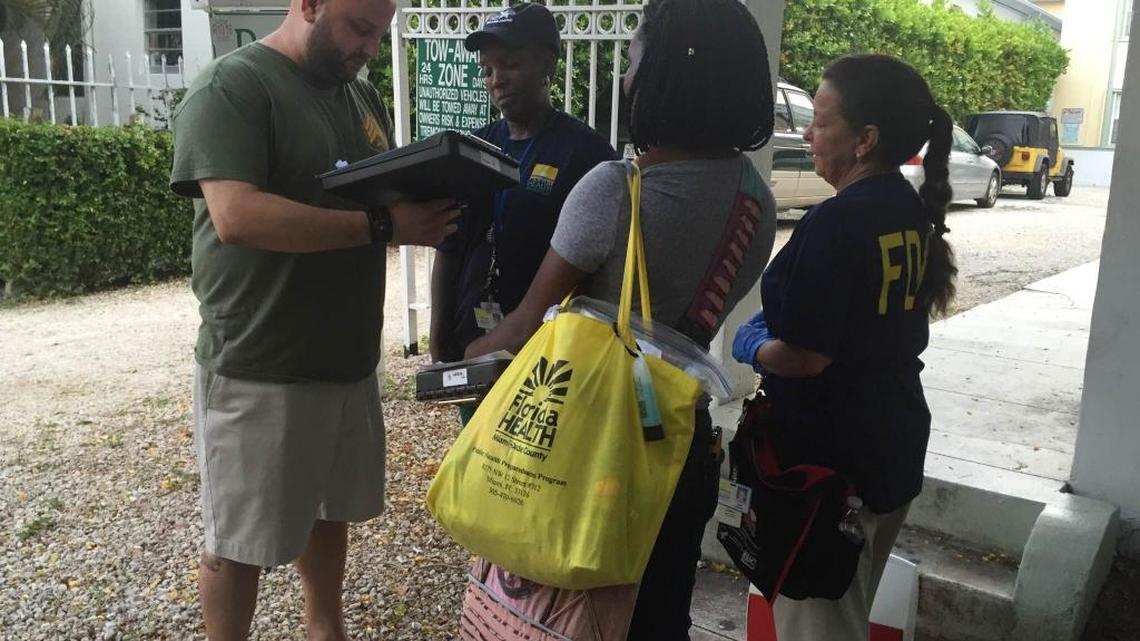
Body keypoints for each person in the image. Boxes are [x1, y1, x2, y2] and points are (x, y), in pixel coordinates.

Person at [464, 0, 777, 636]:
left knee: (561, 617)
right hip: (676, 443)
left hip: (586, 451)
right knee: (659, 617)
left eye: (633, 59)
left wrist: (467, 357)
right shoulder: (756, 198)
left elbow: (526, 327)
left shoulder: (615, 188)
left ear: (667, 74)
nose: (624, 78)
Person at [168, 0, 461, 638]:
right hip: (260, 360)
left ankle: (325, 628)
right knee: (237, 539)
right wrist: (384, 226)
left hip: (347, 360)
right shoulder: (233, 87)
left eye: (381, 33)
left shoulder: (362, 101)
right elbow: (236, 217)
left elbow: (374, 191)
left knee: (332, 510)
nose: (370, 48)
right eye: (360, 28)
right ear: (308, 4)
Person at [731, 54, 957, 641]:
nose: (807, 132)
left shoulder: (837, 221)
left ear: (865, 140)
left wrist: (750, 344)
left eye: (821, 121)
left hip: (829, 470)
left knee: (818, 626)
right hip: (890, 447)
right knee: (845, 612)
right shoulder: (908, 208)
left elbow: (806, 357)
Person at [429, 2, 617, 379]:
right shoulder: (470, 151)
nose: (497, 79)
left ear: (548, 64)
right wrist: (439, 347)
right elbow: (448, 249)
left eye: (511, 64)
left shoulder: (587, 156)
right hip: (472, 351)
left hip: (550, 359)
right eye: (487, 70)